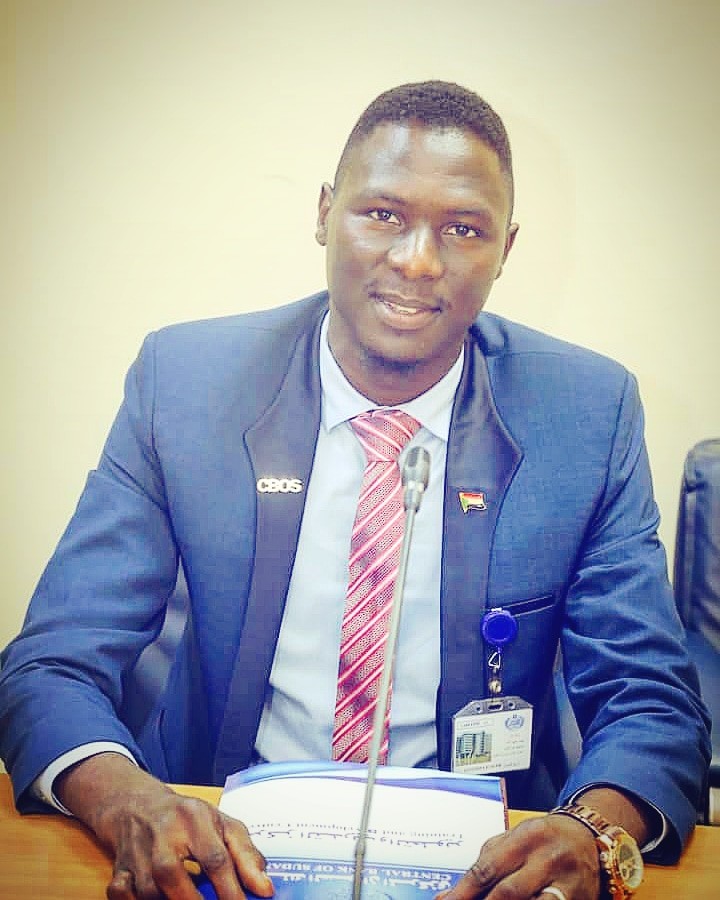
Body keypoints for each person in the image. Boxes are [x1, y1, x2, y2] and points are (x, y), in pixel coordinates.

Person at [0, 81, 710, 900]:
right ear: (324, 214)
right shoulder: (186, 386)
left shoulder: (585, 416)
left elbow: (652, 703)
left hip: (480, 870)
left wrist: (591, 831)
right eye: (382, 214)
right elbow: (51, 665)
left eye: (463, 228)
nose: (418, 259)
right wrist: (128, 800)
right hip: (218, 848)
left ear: (505, 249)